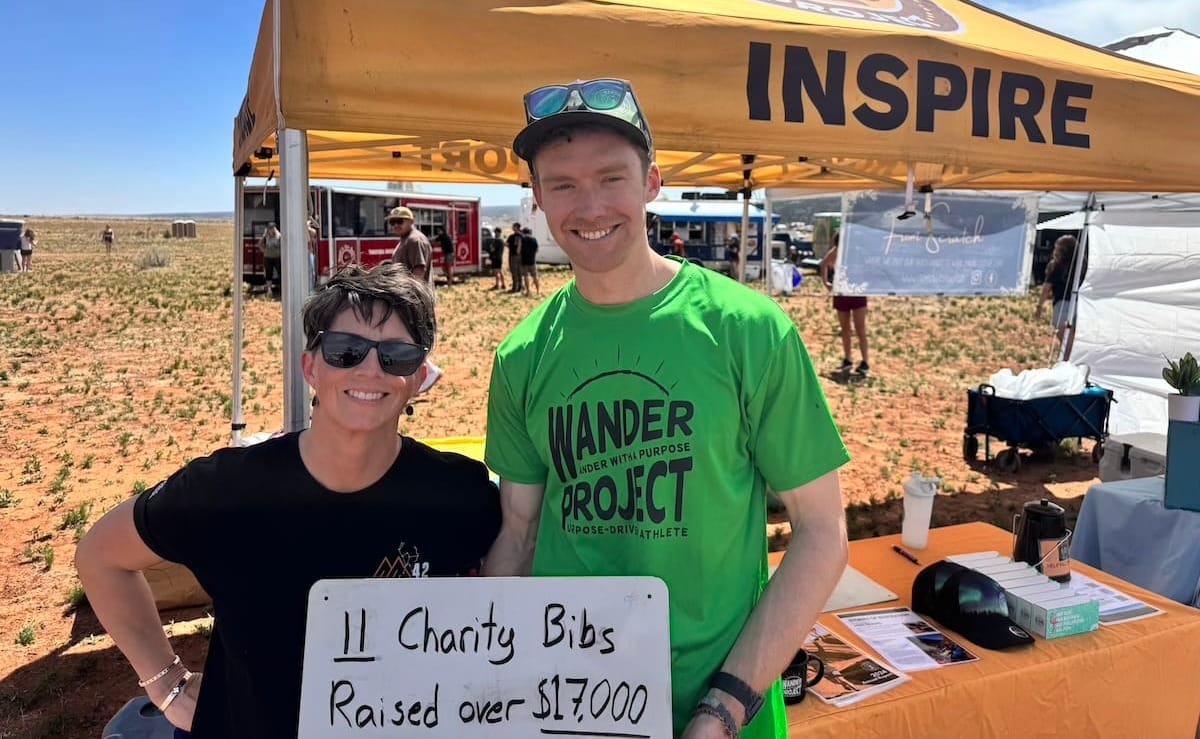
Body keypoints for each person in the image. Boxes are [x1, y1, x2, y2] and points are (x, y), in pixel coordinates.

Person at [483, 78, 849, 739]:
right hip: (567, 707)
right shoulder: (522, 354)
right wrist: (483, 684)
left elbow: (822, 534)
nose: (588, 204)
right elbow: (519, 534)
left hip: (720, 710)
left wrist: (724, 707)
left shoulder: (749, 330)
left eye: (610, 177)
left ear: (652, 181)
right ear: (535, 198)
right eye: (561, 183)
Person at [75, 263, 501, 738]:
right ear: (310, 367)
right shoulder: (227, 490)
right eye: (346, 351)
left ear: (419, 378)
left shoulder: (458, 495)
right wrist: (166, 684)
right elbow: (100, 556)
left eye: (396, 356)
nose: (369, 369)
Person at [820, 231, 869, 378]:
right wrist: (826, 283)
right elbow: (824, 264)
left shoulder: (859, 251)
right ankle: (848, 359)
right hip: (842, 293)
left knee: (860, 329)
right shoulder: (836, 252)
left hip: (857, 293)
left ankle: (865, 361)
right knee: (845, 328)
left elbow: (869, 267)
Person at [1036, 234, 1085, 360]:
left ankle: (1067, 361)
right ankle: (1069, 359)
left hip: (1062, 304)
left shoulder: (1056, 266)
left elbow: (1047, 288)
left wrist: (1039, 306)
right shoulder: (1083, 265)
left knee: (1063, 335)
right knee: (1072, 336)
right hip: (1080, 304)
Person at [387, 206, 432, 285]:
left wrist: (412, 295)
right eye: (392, 222)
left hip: (413, 296)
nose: (395, 225)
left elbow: (418, 272)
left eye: (399, 221)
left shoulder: (415, 240)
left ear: (411, 221)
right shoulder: (405, 239)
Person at [257, 222, 282, 297]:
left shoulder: (279, 236)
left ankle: (281, 289)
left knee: (280, 272)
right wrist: (263, 250)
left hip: (277, 257)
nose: (271, 230)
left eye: (272, 228)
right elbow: (259, 244)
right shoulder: (265, 236)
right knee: (268, 273)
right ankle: (269, 290)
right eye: (269, 228)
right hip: (268, 257)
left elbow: (282, 245)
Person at [520, 227, 540, 296]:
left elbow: (518, 250)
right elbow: (537, 250)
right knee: (535, 276)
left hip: (524, 261)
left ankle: (528, 291)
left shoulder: (522, 240)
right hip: (532, 260)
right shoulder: (534, 239)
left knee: (526, 276)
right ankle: (538, 291)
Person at [505, 221, 524, 293]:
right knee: (520, 272)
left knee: (514, 272)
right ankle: (520, 287)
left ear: (516, 227)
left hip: (514, 256)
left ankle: (515, 287)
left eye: (513, 226)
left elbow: (507, 244)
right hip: (521, 257)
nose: (512, 227)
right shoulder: (523, 236)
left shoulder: (512, 236)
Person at [487, 226, 507, 291]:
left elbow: (492, 249)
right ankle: (503, 284)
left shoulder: (496, 240)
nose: (495, 234)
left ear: (497, 232)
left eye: (495, 232)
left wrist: (490, 246)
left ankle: (497, 285)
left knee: (496, 272)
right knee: (500, 271)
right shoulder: (501, 240)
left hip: (495, 258)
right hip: (500, 257)